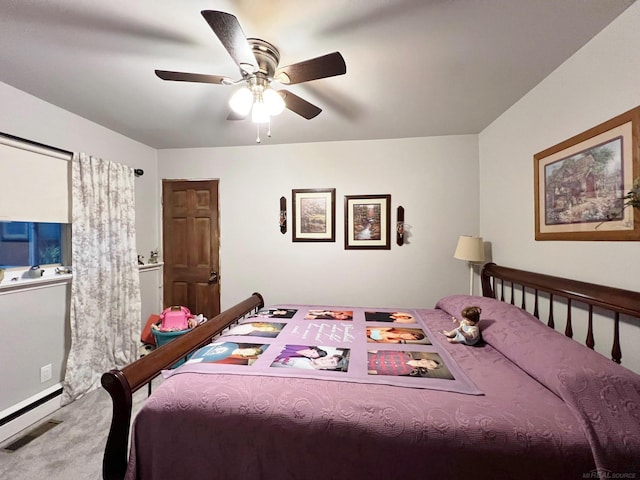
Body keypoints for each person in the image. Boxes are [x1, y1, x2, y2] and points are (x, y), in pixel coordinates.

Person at [367, 350, 442, 376]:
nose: (427, 363)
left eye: (430, 365)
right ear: (424, 359)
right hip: (368, 356)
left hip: (368, 367)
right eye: (428, 361)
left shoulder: (407, 371)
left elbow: (382, 372)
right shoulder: (403, 355)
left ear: (429, 368)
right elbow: (380, 351)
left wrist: (365, 372)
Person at [272, 354, 346, 371]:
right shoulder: (306, 360)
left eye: (331, 362)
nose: (326, 360)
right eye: (330, 358)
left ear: (330, 368)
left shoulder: (306, 371)